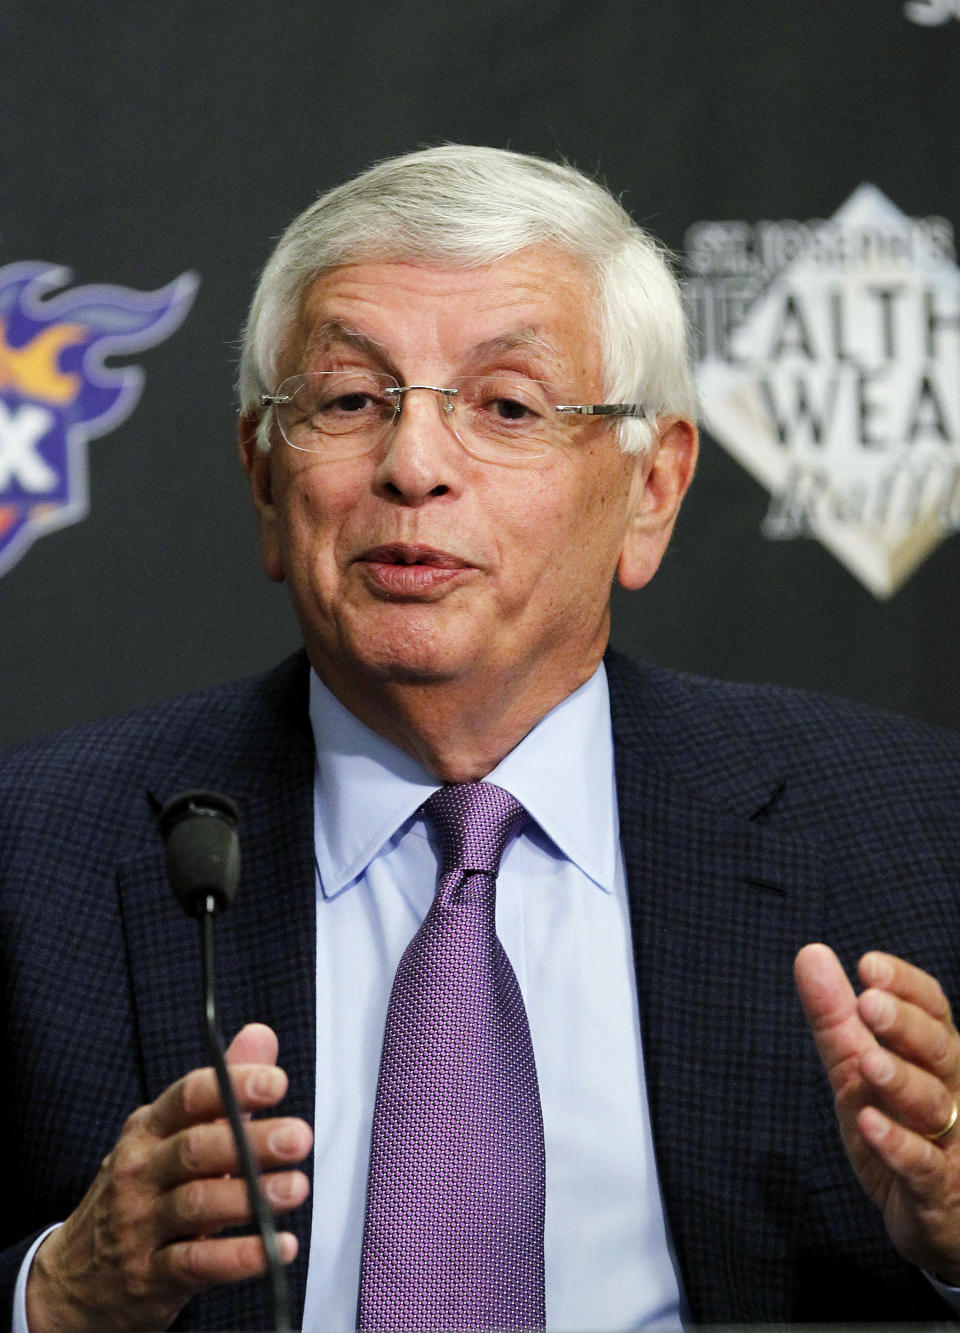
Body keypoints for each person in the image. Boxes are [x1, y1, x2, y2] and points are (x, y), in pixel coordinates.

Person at [3, 144, 960, 1332]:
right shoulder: (33, 855)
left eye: (506, 407)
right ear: (262, 475)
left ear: (650, 488)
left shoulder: (917, 836)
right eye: (351, 400)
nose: (413, 467)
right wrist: (55, 1294)